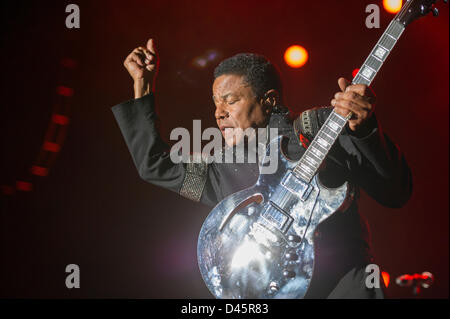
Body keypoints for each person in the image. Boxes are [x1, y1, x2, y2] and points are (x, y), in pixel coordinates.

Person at [111, 38, 412, 298]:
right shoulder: (224, 167)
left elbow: (395, 192)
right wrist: (143, 85)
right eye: (215, 103)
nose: (218, 113)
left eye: (230, 101)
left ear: (268, 101)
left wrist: (365, 130)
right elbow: (154, 164)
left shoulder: (321, 127)